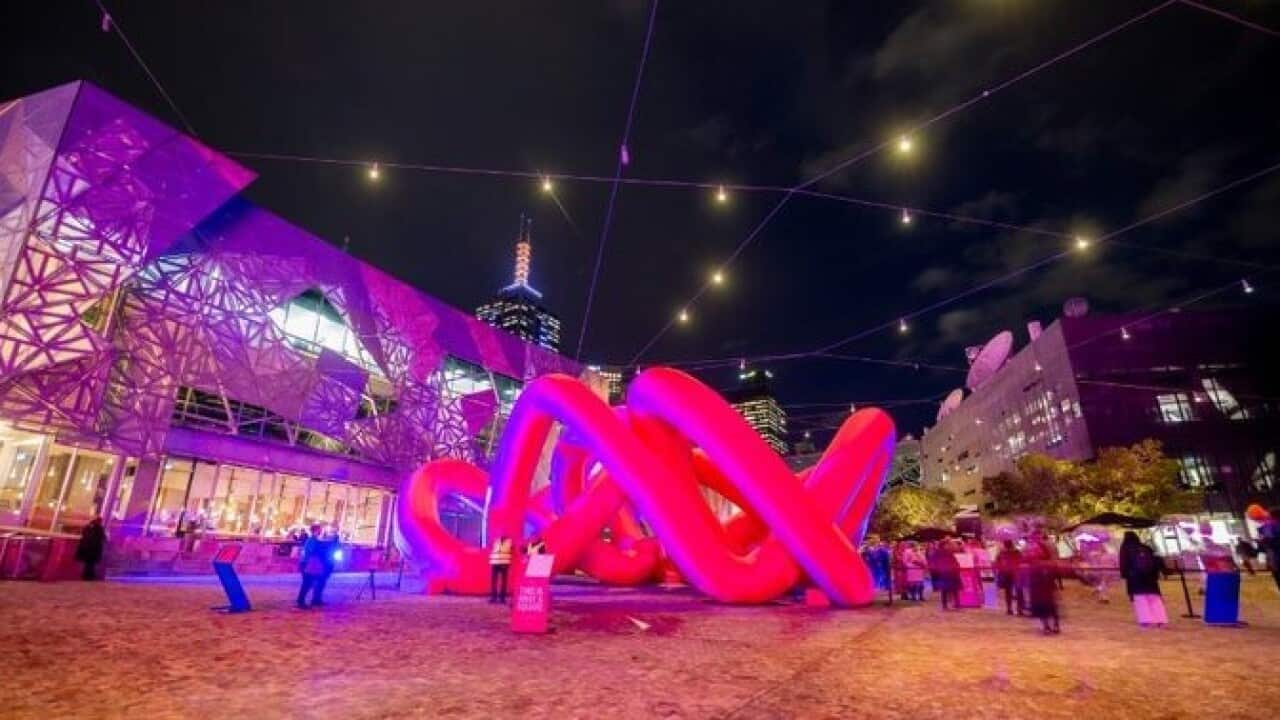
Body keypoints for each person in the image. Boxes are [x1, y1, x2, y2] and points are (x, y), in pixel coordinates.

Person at [1118, 531, 1167, 628]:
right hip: (1150, 578)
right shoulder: (1146, 547)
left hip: (1135, 578)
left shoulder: (1125, 548)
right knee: (1154, 598)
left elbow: (1123, 564)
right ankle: (1161, 620)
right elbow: (1156, 560)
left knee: (1140, 599)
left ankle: (1145, 620)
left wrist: (1125, 575)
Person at [1025, 537, 1061, 635]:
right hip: (1040, 587)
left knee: (1050, 606)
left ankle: (1053, 625)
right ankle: (1048, 626)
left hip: (1045, 587)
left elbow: (1055, 574)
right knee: (1044, 606)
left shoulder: (1046, 561)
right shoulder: (1035, 560)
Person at [296, 523, 333, 609]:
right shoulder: (312, 540)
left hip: (311, 563)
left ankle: (315, 599)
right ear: (316, 530)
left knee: (316, 581)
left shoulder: (314, 540)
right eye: (319, 530)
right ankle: (301, 601)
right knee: (307, 583)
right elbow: (312, 551)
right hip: (308, 563)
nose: (320, 531)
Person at [994, 541, 1024, 616]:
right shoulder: (1017, 552)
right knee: (1019, 591)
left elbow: (997, 562)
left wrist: (1000, 570)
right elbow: (1022, 560)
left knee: (1008, 592)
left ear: (1005, 545)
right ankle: (1019, 609)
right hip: (1016, 573)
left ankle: (1009, 609)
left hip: (1006, 573)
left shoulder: (1002, 553)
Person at [76, 516, 107, 581]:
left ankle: (85, 576)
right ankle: (89, 576)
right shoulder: (99, 528)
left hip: (87, 548)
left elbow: (84, 535)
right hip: (94, 549)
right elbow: (104, 538)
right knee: (91, 564)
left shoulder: (88, 527)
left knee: (88, 564)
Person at [489, 534, 513, 604]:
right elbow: (491, 548)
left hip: (504, 563)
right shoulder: (495, 541)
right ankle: (493, 597)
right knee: (494, 581)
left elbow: (511, 550)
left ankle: (502, 598)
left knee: (503, 582)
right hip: (495, 563)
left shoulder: (509, 542)